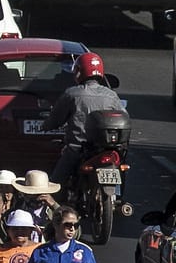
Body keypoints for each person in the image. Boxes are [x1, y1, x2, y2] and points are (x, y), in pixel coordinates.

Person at [47, 51, 126, 184]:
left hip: (78, 148)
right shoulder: (111, 95)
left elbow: (55, 119)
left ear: (78, 72)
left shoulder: (72, 94)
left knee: (56, 183)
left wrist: (46, 125)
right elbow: (124, 118)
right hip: (106, 148)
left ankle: (56, 204)